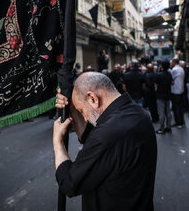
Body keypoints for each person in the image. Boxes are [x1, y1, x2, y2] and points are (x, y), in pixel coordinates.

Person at [53, 72, 157, 210]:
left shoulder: (107, 134)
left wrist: (57, 141)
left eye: (82, 110)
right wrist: (73, 109)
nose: (84, 118)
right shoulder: (139, 114)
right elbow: (94, 143)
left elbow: (69, 183)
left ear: (93, 99)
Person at [154, 61, 173, 134]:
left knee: (161, 112)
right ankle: (168, 126)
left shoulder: (159, 75)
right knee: (168, 111)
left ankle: (161, 128)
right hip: (168, 94)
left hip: (160, 95)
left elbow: (156, 85)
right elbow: (172, 83)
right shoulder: (169, 75)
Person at [170, 58, 185, 128]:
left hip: (175, 91)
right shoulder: (181, 69)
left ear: (173, 62)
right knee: (180, 107)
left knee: (176, 108)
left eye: (171, 62)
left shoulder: (174, 70)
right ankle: (181, 121)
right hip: (181, 90)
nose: (170, 64)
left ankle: (178, 122)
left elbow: (171, 79)